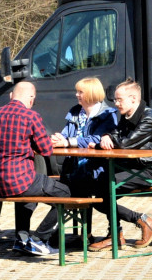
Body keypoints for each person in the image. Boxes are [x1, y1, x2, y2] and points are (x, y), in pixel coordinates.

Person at [0, 81, 70, 256]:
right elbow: (46, 150)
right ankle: (39, 239)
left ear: (11, 96)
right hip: (18, 180)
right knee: (66, 192)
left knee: (28, 195)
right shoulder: (30, 116)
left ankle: (21, 239)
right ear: (31, 98)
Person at [88, 79, 152, 251]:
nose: (116, 104)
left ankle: (140, 221)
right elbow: (115, 135)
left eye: (119, 100)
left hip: (151, 171)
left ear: (133, 98)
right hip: (131, 168)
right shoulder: (126, 116)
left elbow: (126, 144)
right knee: (96, 189)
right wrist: (105, 137)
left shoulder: (148, 116)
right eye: (115, 100)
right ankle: (119, 233)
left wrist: (109, 138)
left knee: (104, 189)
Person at [50, 77, 119, 210]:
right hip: (72, 167)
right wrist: (58, 139)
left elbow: (97, 139)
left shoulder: (107, 115)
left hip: (97, 169)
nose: (77, 95)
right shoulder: (75, 112)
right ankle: (83, 231)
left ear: (91, 93)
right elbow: (66, 134)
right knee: (63, 194)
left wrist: (68, 142)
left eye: (80, 92)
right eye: (77, 91)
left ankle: (117, 226)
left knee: (99, 201)